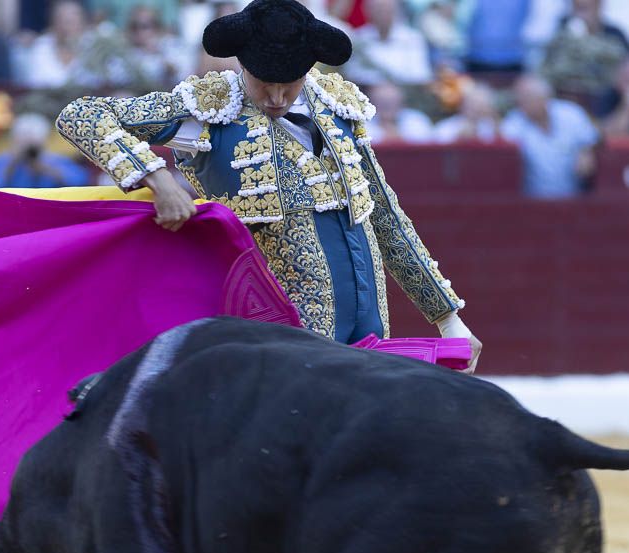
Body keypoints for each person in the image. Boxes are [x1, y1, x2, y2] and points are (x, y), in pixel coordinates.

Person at [58, 0, 480, 358]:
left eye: (290, 84)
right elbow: (81, 115)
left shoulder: (338, 107)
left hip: (370, 324)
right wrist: (157, 177)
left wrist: (447, 317)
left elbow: (384, 216)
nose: (277, 98)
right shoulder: (207, 110)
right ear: (242, 64)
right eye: (265, 84)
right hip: (277, 334)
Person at [501, 73, 598, 199]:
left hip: (575, 198)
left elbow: (593, 139)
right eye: (519, 99)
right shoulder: (513, 123)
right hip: (533, 201)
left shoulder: (571, 113)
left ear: (545, 99)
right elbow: (502, 148)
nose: (521, 104)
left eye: (527, 98)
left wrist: (586, 152)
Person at [0, 113, 92, 189]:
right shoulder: (4, 161)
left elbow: (81, 181)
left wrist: (47, 168)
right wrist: (12, 164)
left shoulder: (55, 160)